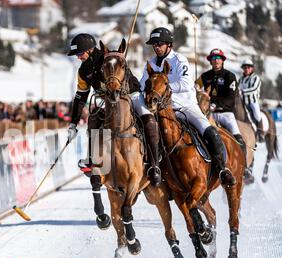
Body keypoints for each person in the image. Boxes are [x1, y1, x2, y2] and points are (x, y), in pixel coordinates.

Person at [140, 29, 236, 187]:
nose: (156, 47)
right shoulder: (150, 63)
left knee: (209, 130)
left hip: (184, 106)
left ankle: (222, 169)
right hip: (160, 109)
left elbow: (186, 83)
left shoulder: (179, 60)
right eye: (154, 45)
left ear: (169, 44)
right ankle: (153, 169)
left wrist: (162, 87)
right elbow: (143, 83)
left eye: (159, 44)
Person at [66, 33, 162, 187]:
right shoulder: (83, 71)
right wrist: (73, 123)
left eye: (80, 53)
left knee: (149, 120)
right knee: (94, 118)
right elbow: (80, 97)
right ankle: (93, 161)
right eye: (76, 55)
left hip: (131, 94)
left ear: (90, 50)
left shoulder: (108, 57)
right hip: (107, 100)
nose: (78, 57)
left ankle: (154, 164)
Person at [196, 48, 247, 160]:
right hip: (209, 114)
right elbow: (195, 86)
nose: (216, 61)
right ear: (211, 61)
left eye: (218, 58)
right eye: (214, 59)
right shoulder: (205, 76)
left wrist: (215, 105)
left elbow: (231, 98)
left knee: (239, 139)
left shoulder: (230, 76)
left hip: (226, 114)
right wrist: (197, 89)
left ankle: (245, 168)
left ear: (222, 60)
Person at [238, 59, 264, 142]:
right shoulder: (241, 79)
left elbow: (254, 88)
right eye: (244, 67)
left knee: (257, 114)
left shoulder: (256, 78)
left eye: (248, 67)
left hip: (253, 101)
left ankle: (261, 133)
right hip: (242, 102)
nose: (246, 69)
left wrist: (242, 91)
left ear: (252, 68)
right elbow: (237, 88)